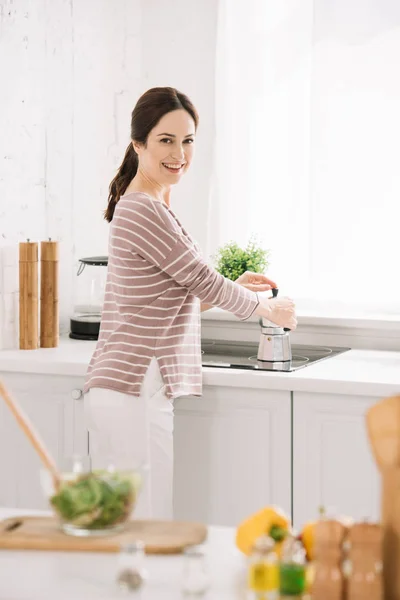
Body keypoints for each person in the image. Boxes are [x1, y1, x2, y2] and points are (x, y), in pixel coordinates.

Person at [83, 87, 297, 520]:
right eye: (166, 140)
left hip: (133, 387)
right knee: (147, 526)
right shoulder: (142, 208)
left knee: (140, 524)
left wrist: (238, 289)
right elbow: (200, 278)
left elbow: (171, 298)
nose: (179, 152)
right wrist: (268, 310)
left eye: (188, 140)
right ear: (138, 143)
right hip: (133, 387)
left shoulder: (152, 203)